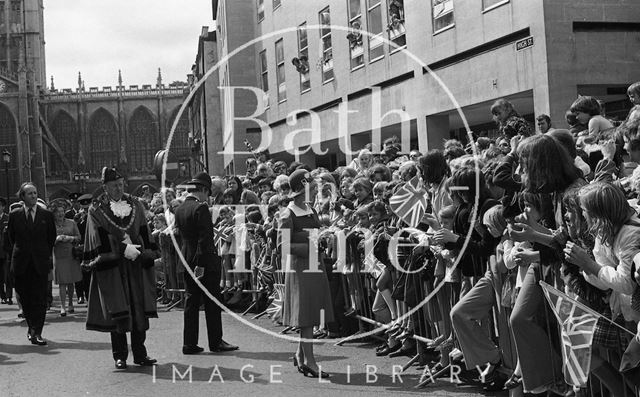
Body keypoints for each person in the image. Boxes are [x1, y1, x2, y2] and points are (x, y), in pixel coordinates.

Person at [83, 167, 158, 369]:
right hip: (114, 266)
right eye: (114, 185)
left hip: (135, 265)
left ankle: (140, 353)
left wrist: (141, 250)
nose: (118, 188)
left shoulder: (135, 204)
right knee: (117, 310)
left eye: (121, 184)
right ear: (104, 187)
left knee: (138, 308)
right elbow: (96, 236)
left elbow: (144, 229)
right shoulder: (96, 209)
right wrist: (123, 248)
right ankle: (120, 356)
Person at [174, 171, 239, 355]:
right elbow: (205, 240)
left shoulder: (179, 209)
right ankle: (216, 341)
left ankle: (189, 343)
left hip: (186, 259)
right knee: (212, 301)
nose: (208, 197)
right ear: (202, 190)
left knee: (191, 301)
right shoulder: (200, 208)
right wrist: (201, 264)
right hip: (203, 262)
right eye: (207, 193)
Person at [279, 169, 334, 378]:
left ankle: (301, 356)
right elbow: (283, 245)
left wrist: (323, 236)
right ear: (302, 190)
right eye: (311, 188)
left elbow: (315, 231)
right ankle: (310, 362)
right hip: (301, 268)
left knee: (310, 313)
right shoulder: (287, 213)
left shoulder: (310, 209)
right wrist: (311, 244)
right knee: (307, 316)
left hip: (314, 264)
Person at [7, 182, 56, 346]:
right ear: (22, 196)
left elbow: (51, 238)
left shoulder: (46, 215)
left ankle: (37, 332)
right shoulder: (14, 215)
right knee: (24, 297)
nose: (34, 196)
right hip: (21, 262)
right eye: (30, 194)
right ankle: (31, 326)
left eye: (35, 193)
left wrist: (42, 254)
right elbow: (12, 238)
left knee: (40, 298)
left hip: (40, 262)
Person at [51, 202, 82, 316]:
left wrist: (69, 238)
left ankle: (70, 304)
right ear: (53, 214)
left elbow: (79, 238)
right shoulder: (51, 225)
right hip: (59, 255)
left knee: (70, 282)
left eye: (62, 211)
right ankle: (63, 307)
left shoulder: (72, 223)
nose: (60, 214)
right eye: (58, 212)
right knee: (62, 282)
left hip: (71, 254)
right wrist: (56, 239)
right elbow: (47, 240)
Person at [0, 197, 11, 304]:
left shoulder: (8, 218)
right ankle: (2, 295)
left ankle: (8, 296)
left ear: (3, 207)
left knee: (7, 275)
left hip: (6, 251)